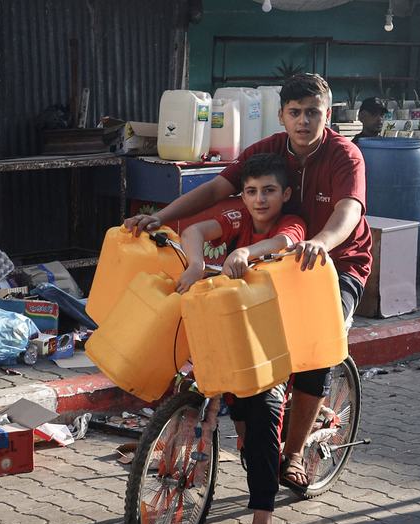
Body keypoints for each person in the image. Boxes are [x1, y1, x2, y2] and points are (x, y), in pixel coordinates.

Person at [126, 72, 372, 495]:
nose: (304, 121)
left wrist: (320, 242)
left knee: (313, 352)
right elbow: (215, 189)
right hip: (272, 262)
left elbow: (348, 211)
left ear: (327, 115)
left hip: (337, 262)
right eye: (295, 112)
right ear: (281, 116)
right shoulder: (267, 151)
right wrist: (162, 216)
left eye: (313, 112)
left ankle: (293, 454)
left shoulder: (344, 156)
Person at [175, 153, 305, 524]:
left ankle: (262, 515)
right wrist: (197, 262)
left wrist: (247, 251)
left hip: (275, 337)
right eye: (251, 192)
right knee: (232, 404)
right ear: (243, 197)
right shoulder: (238, 218)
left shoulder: (290, 222)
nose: (260, 199)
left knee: (263, 414)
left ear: (286, 194)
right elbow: (194, 232)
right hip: (235, 330)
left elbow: (286, 240)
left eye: (269, 191)